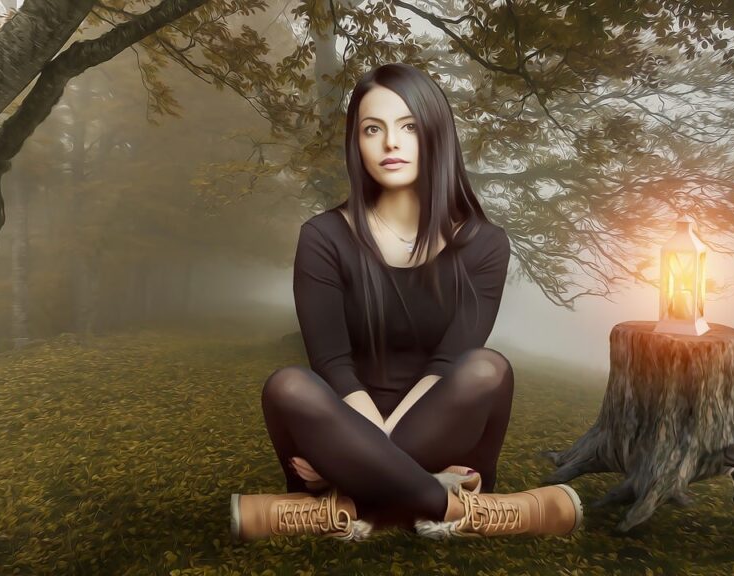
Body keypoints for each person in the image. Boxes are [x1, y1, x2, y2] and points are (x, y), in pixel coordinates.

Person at [231, 63, 582, 542]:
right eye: (372, 129)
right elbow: (333, 366)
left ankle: (346, 501)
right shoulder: (323, 237)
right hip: (343, 421)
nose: (390, 144)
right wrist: (357, 443)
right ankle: (454, 506)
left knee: (487, 368)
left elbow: (447, 363)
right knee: (288, 385)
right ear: (356, 144)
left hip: (439, 428)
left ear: (436, 135)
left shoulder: (485, 244)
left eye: (408, 127)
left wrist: (364, 458)